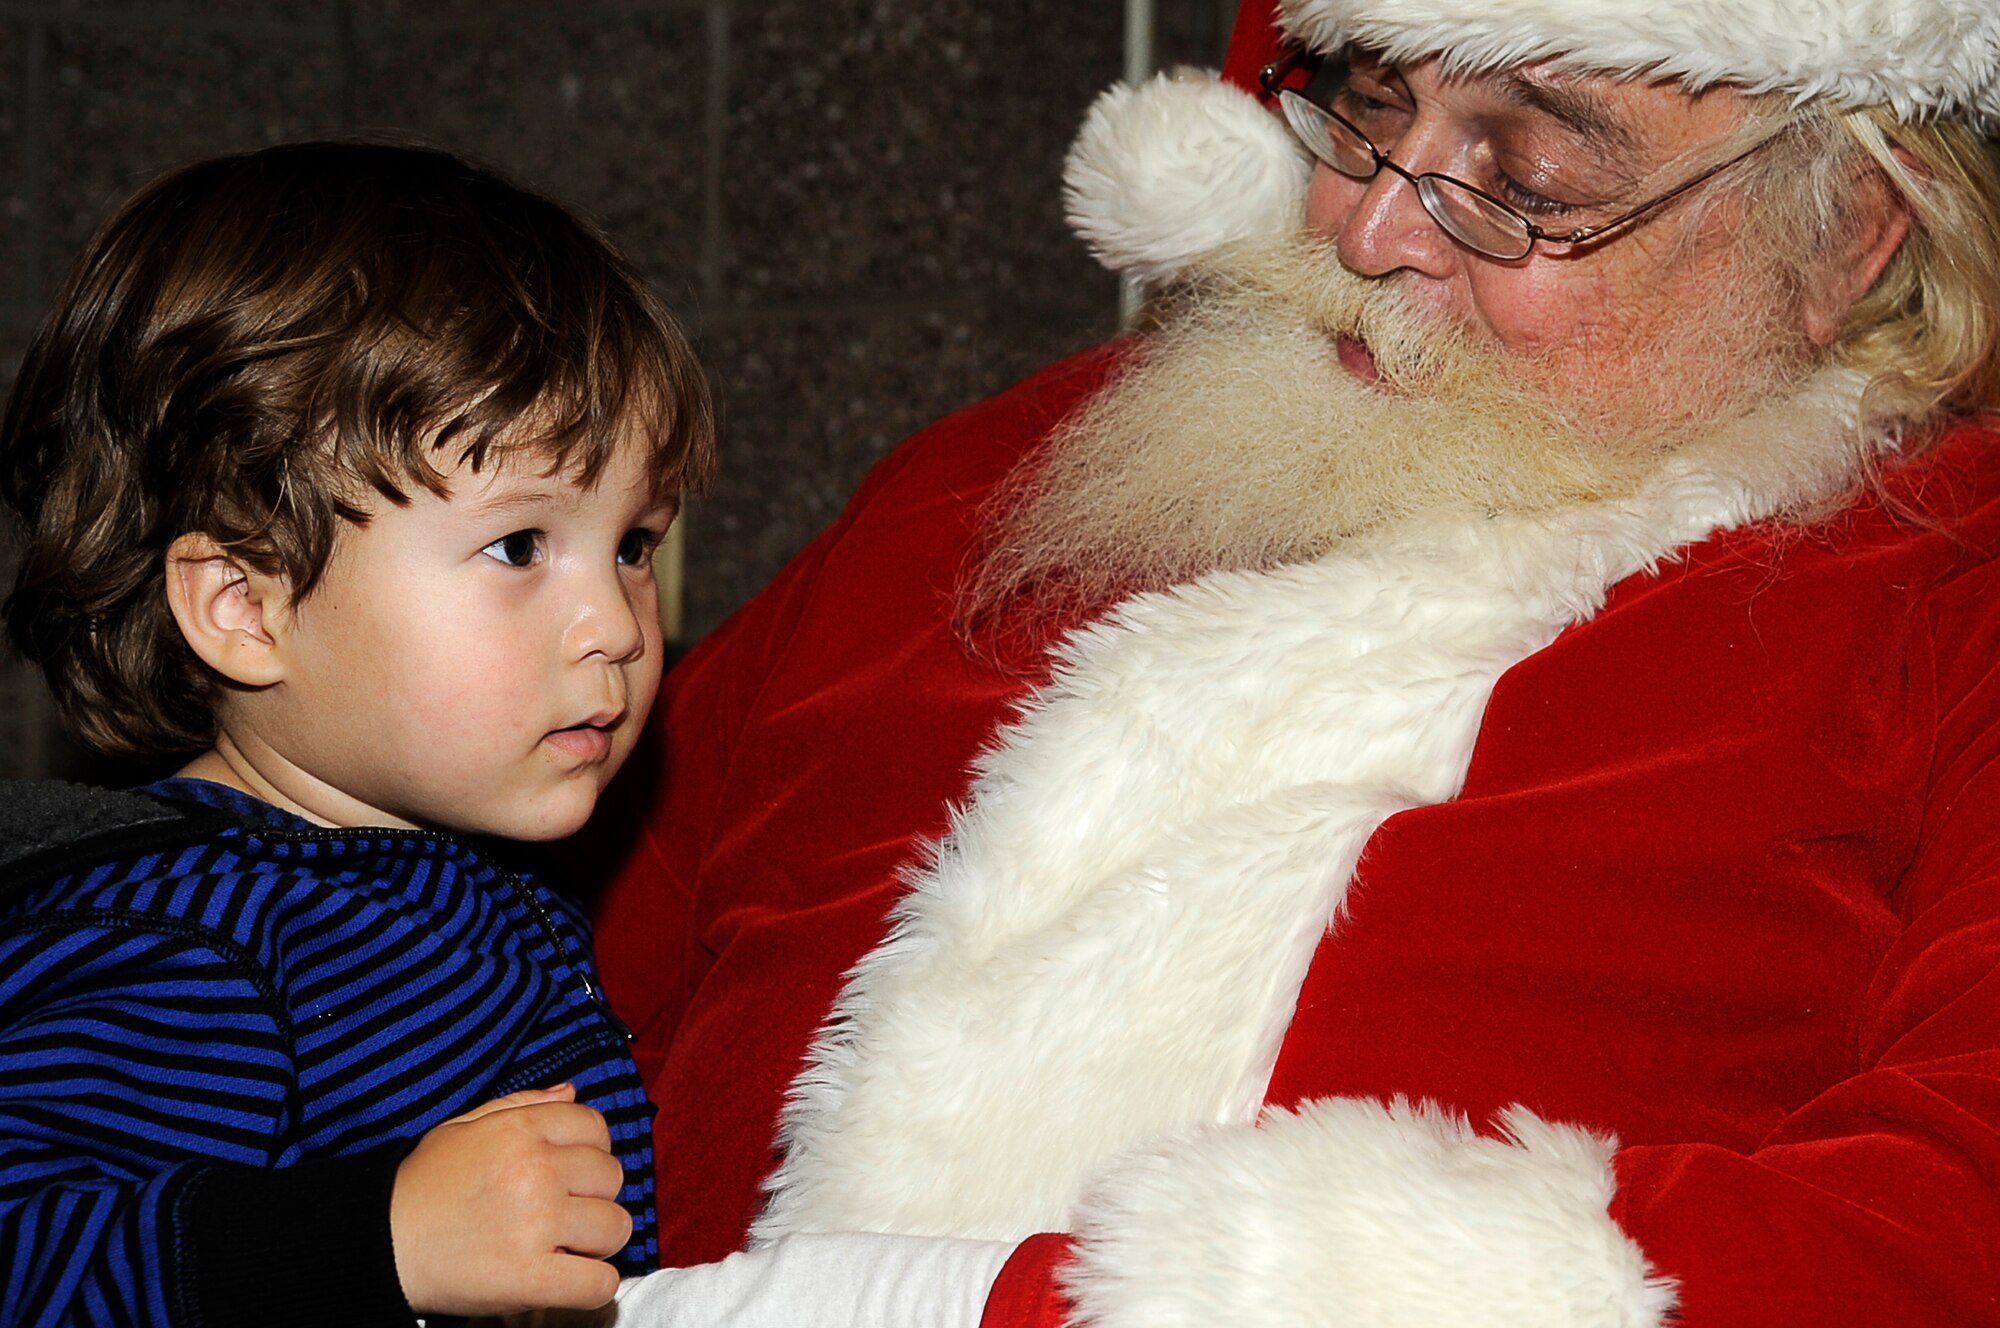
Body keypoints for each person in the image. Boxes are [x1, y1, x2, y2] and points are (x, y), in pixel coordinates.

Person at [588, 0, 2000, 1323]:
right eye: (1367, 111)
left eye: (1527, 180)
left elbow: (1948, 1220)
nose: (1375, 227)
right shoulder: (989, 478)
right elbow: (501, 961)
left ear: (1850, 241)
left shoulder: (1951, 591)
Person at [0, 141, 714, 1328]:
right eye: (519, 545)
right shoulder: (186, 934)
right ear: (246, 605)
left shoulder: (455, 890)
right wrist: (379, 1235)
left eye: (633, 542)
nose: (617, 627)